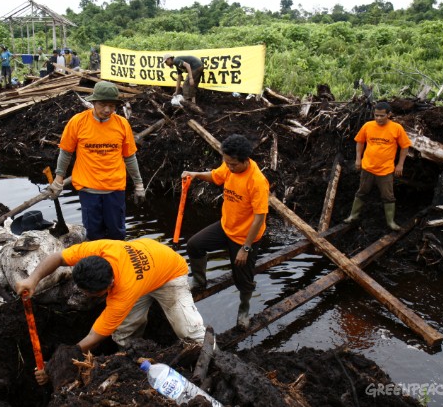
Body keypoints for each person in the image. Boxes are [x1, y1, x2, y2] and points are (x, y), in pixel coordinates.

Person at [15, 237, 207, 385]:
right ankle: (132, 359)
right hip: (145, 261)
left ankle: (214, 357)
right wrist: (32, 280)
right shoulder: (97, 250)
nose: (86, 295)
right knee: (124, 333)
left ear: (110, 285)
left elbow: (94, 336)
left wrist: (59, 363)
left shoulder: (122, 295)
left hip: (169, 273)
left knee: (190, 332)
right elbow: (58, 257)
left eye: (92, 293)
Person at [182, 134, 269, 330]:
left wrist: (245, 248)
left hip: (245, 237)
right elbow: (215, 176)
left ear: (246, 160)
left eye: (233, 164)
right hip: (226, 226)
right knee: (194, 245)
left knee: (243, 279)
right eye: (226, 162)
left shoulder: (257, 181)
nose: (229, 167)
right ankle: (198, 280)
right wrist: (195, 174)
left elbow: (259, 218)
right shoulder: (229, 165)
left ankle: (244, 309)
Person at [48, 81, 145, 241]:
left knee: (117, 233)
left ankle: (116, 264)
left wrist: (139, 184)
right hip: (88, 190)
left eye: (112, 106)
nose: (107, 110)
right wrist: (58, 180)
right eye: (102, 105)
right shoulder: (78, 122)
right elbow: (66, 153)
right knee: (93, 233)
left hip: (115, 189)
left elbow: (129, 156)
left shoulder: (122, 124)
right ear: (93, 102)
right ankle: (96, 264)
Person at [344, 101, 412, 231]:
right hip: (367, 167)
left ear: (389, 114)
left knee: (388, 196)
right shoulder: (368, 126)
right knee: (362, 192)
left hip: (385, 170)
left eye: (382, 116)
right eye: (376, 115)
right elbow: (360, 142)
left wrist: (400, 165)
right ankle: (353, 216)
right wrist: (358, 159)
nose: (379, 118)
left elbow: (405, 146)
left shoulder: (396, 128)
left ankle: (391, 222)